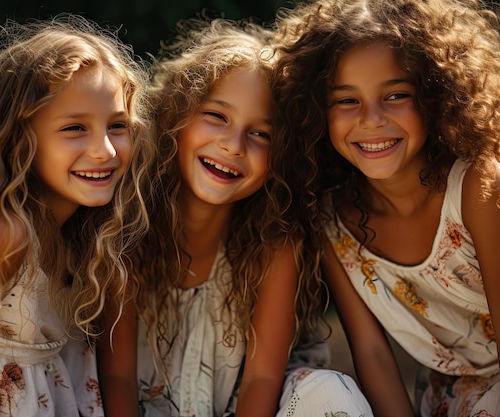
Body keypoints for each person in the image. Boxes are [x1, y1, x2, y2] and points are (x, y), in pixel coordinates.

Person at [272, 0, 500, 416]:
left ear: (437, 95)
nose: (372, 119)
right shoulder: (331, 221)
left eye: (396, 95)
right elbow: (372, 353)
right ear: (315, 112)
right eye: (346, 101)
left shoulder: (480, 186)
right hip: (455, 395)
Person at [98, 16, 373, 417]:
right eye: (216, 116)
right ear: (176, 116)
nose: (234, 145)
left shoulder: (273, 245)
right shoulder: (130, 227)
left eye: (261, 134)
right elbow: (118, 377)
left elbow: (261, 379)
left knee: (331, 393)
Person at [0, 14, 153, 417]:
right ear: (18, 138)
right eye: (75, 128)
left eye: (117, 126)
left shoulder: (98, 237)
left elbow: (119, 379)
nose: (106, 151)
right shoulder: (3, 233)